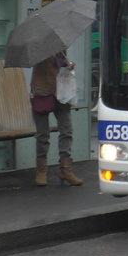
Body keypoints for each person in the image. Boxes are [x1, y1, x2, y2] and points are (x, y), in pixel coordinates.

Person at [30, 50, 82, 186]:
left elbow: (60, 63)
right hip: (42, 91)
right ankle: (41, 170)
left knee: (67, 130)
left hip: (61, 92)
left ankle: (66, 170)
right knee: (42, 134)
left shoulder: (59, 44)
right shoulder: (37, 47)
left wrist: (68, 65)